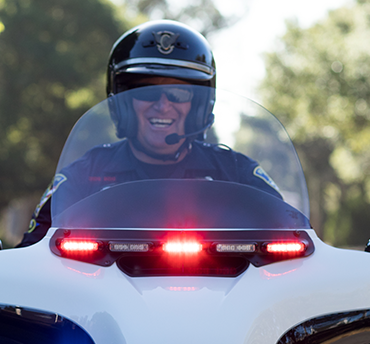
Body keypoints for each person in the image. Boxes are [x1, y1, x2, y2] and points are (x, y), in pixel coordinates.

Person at [17, 20, 282, 247]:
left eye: (179, 93)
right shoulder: (86, 174)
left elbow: (299, 239)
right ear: (123, 103)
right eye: (146, 91)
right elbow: (29, 256)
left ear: (199, 106)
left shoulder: (235, 173)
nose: (163, 105)